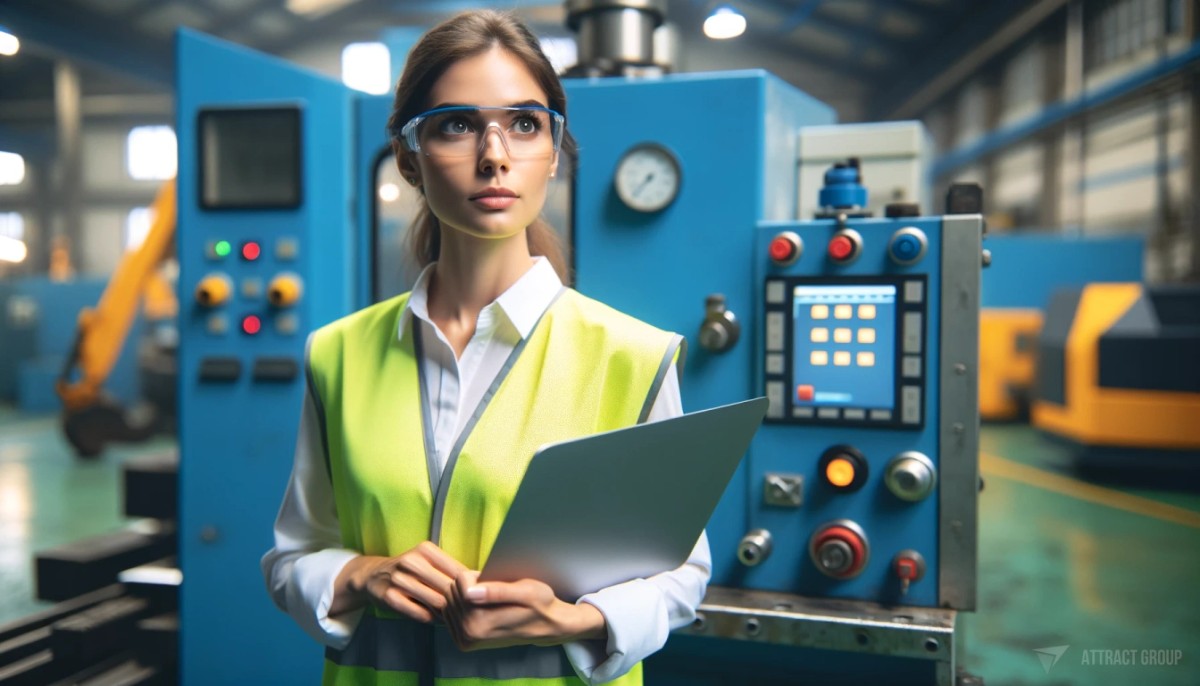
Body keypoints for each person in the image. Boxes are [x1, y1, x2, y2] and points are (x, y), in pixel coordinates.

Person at [260, 9, 711, 686]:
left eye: (525, 123)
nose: (495, 155)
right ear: (409, 157)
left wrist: (573, 620)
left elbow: (681, 574)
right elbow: (292, 557)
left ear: (554, 153)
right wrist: (361, 574)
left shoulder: (632, 358)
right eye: (458, 124)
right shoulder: (339, 356)